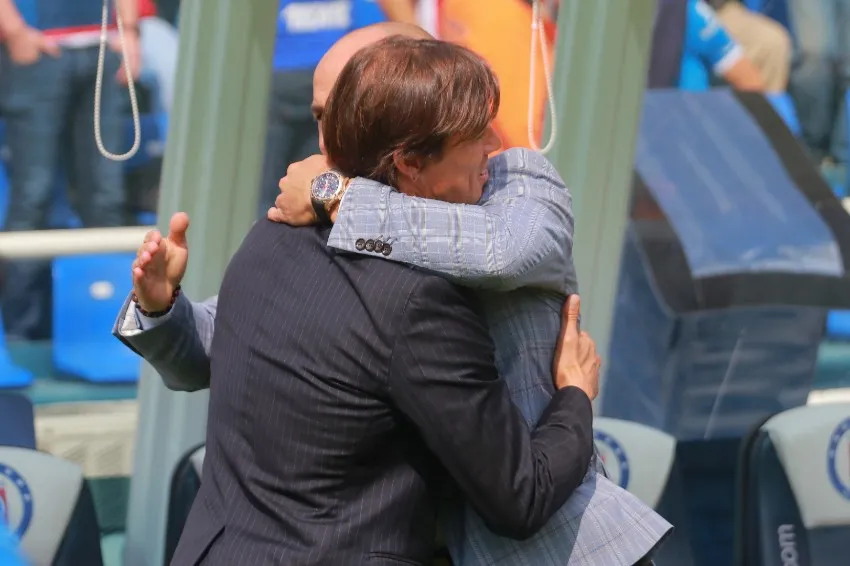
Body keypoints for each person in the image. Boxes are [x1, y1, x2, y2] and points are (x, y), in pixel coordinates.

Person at [115, 24, 670, 566]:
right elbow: (232, 344)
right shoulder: (317, 242)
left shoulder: (510, 182)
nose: (332, 141)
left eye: (348, 110)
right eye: (322, 117)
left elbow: (506, 249)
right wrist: (162, 310)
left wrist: (337, 194)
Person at [0, 0, 140, 340]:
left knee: (106, 197)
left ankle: (111, 332)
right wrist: (14, 30)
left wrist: (131, 32)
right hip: (38, 51)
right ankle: (20, 337)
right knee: (33, 197)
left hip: (102, 50)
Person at [678, 0, 767, 91]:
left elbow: (750, 81)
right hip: (672, 98)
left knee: (770, 44)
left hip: (693, 102)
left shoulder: (689, 12)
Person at [707, 0, 791, 92]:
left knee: (772, 41)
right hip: (701, 11)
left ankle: (766, 103)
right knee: (770, 42)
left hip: (729, 7)